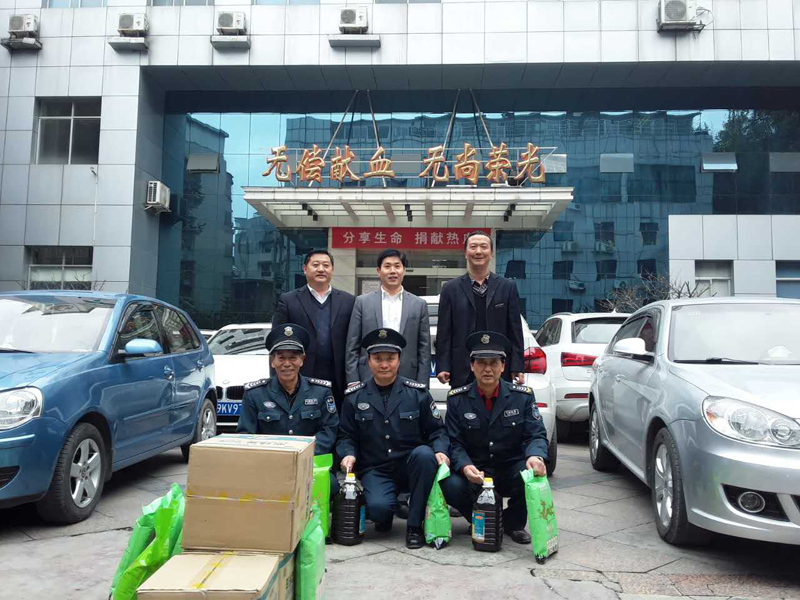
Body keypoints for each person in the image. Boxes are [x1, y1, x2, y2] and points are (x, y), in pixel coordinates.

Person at [336, 328, 449, 549]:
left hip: (411, 465)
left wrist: (440, 450)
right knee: (378, 510)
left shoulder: (417, 394)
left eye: (390, 359)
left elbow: (438, 431)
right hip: (376, 468)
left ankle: (414, 526)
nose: (384, 365)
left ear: (399, 360)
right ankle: (388, 510)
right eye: (378, 359)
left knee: (425, 455)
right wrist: (348, 455)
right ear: (368, 361)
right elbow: (346, 435)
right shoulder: (355, 397)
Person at [439, 330, 548, 545]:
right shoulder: (457, 399)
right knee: (448, 482)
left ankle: (513, 523)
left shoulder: (522, 397)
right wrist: (465, 466)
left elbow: (536, 434)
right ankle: (479, 517)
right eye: (481, 363)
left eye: (494, 363)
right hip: (476, 470)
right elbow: (454, 442)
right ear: (472, 366)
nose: (487, 369)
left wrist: (535, 456)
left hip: (508, 468)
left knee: (530, 473)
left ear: (503, 366)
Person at [237, 323, 340, 496]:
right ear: (272, 361)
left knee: (332, 485)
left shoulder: (321, 392)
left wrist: (303, 454)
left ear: (302, 360)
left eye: (293, 358)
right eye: (281, 358)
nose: (287, 364)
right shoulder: (255, 394)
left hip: (309, 462)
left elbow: (329, 429)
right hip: (268, 465)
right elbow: (245, 434)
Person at [436, 231, 525, 389]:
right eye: (473, 247)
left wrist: (517, 366)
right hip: (462, 368)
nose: (478, 251)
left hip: (498, 367)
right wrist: (443, 366)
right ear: (465, 253)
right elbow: (444, 332)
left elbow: (515, 331)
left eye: (484, 247)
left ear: (491, 253)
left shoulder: (507, 287)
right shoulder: (450, 289)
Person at [272, 249, 355, 408]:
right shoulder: (289, 300)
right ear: (305, 269)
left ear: (332, 270)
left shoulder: (348, 301)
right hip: (300, 376)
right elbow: (277, 342)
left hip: (338, 378)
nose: (321, 269)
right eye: (315, 265)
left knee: (336, 419)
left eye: (326, 265)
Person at [346, 249, 432, 386]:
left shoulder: (418, 304)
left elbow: (424, 349)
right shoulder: (362, 302)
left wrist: (423, 383)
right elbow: (352, 345)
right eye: (387, 266)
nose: (393, 271)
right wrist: (353, 379)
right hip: (368, 375)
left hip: (408, 375)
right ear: (378, 271)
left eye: (397, 266)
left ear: (404, 270)